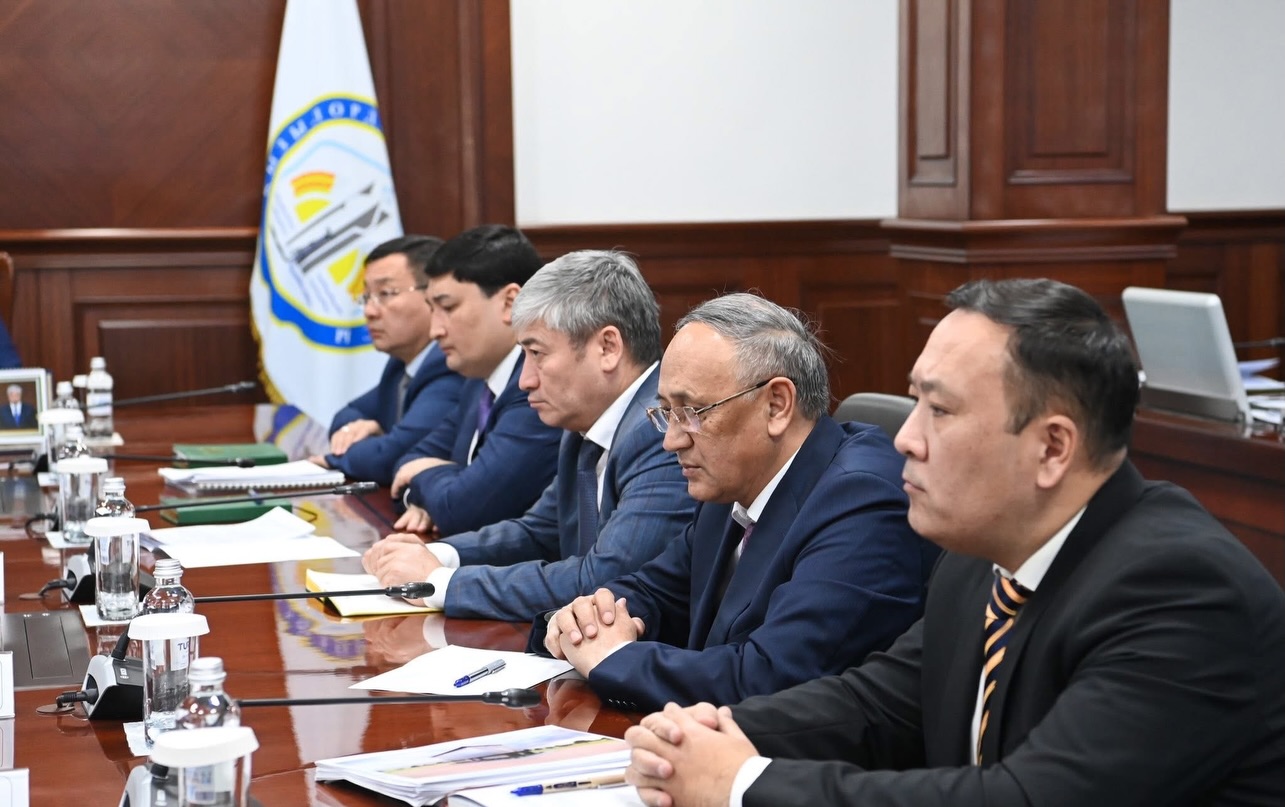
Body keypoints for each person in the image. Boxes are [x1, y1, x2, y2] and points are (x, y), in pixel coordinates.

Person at [623, 278, 1285, 807]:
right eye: (914, 403)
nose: (906, 438)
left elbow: (1025, 797)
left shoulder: (1181, 591)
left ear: (1052, 447)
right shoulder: (978, 558)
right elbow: (878, 702)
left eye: (938, 410)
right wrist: (704, 733)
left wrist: (742, 782)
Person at [537, 293, 934, 713]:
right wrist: (586, 620)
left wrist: (613, 658)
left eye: (692, 412)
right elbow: (657, 591)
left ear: (776, 405)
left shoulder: (862, 503)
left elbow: (770, 678)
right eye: (666, 413)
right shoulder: (730, 482)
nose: (671, 440)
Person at [364, 251, 697, 619]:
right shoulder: (585, 427)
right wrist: (437, 555)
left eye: (537, 353)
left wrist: (438, 583)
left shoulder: (658, 431)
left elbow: (604, 583)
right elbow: (538, 532)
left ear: (607, 348)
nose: (525, 380)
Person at [389, 224, 561, 537]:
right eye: (432, 310)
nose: (435, 330)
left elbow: (465, 510)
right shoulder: (478, 382)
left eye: (448, 307)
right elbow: (409, 461)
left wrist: (434, 486)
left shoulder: (538, 386)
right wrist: (429, 494)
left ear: (510, 303)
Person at [313, 235, 465, 487]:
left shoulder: (448, 365)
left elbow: (388, 458)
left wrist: (346, 453)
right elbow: (347, 416)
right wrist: (366, 428)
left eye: (385, 293)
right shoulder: (401, 364)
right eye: (366, 297)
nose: (369, 311)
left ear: (434, 295)